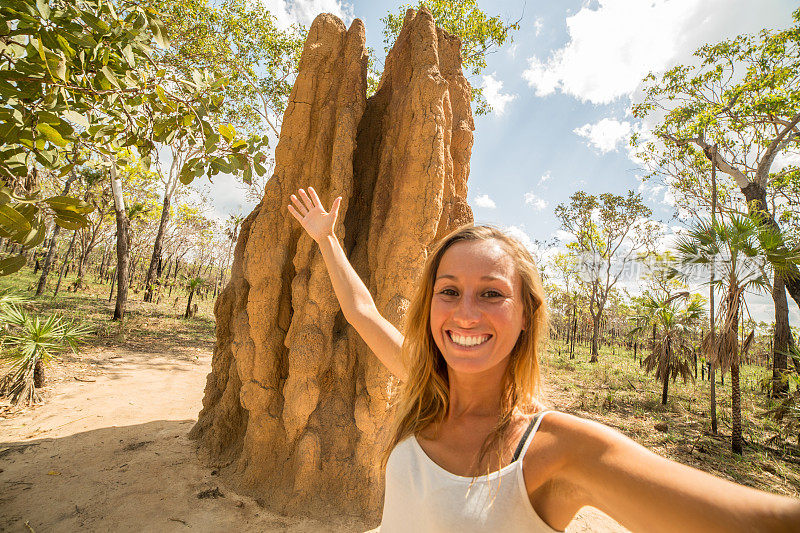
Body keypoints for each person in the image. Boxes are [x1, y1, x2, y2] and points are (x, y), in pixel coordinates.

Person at [287, 187, 800, 532]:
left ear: (527, 314)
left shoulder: (556, 448)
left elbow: (759, 521)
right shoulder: (424, 386)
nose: (465, 314)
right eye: (449, 291)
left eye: (491, 294)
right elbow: (361, 312)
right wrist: (326, 238)